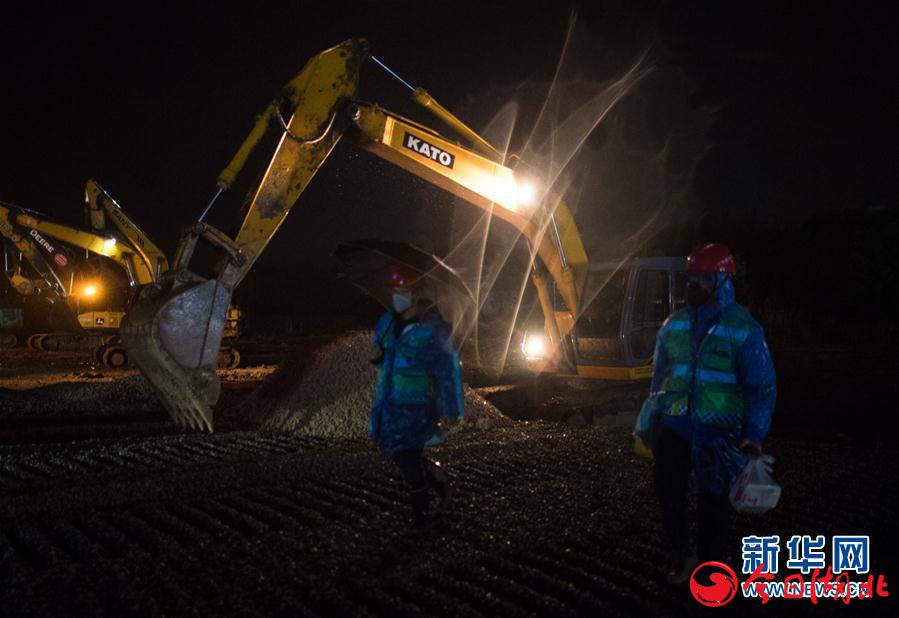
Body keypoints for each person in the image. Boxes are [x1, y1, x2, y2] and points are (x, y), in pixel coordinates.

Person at [638, 243, 776, 584]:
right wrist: (649, 421)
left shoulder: (745, 330)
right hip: (673, 429)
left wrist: (754, 434)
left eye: (700, 279)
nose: (692, 286)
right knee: (669, 496)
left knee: (712, 504)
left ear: (721, 280)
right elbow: (659, 378)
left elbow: (761, 387)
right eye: (691, 278)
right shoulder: (673, 326)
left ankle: (712, 570)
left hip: (717, 435)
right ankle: (681, 557)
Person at [370, 263, 464, 527]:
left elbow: (447, 366)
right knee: (400, 454)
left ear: (416, 293)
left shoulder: (432, 326)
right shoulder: (390, 323)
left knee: (407, 457)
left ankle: (422, 513)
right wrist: (382, 354)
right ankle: (435, 478)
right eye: (395, 290)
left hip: (419, 404)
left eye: (404, 290)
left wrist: (451, 406)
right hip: (392, 402)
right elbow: (388, 358)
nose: (397, 295)